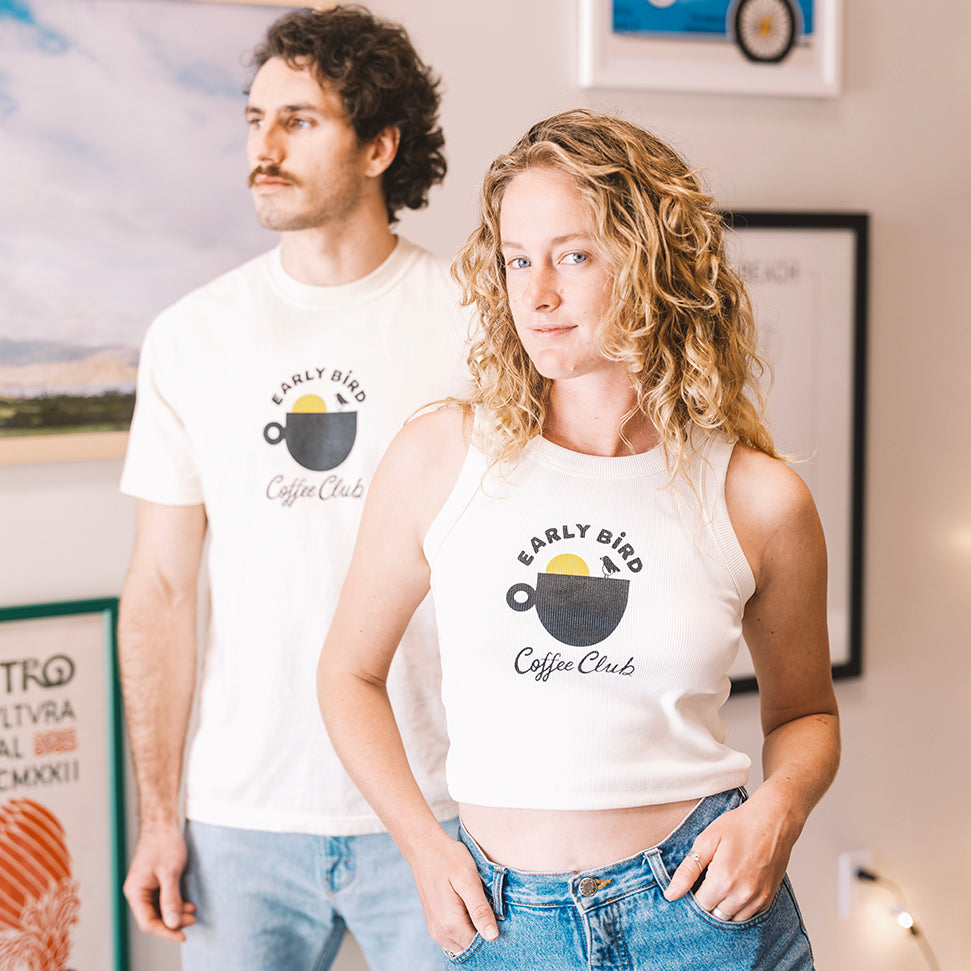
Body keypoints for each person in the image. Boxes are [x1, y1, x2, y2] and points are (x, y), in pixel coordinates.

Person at [318, 109, 840, 969]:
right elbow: (346, 673)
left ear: (651, 262)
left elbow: (806, 713)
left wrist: (777, 811)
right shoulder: (441, 456)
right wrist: (422, 842)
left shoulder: (760, 496)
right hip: (500, 923)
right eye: (517, 260)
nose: (537, 293)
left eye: (573, 255)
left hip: (702, 914)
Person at [118, 7, 467, 969]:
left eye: (299, 121)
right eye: (254, 118)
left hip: (437, 809)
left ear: (379, 145)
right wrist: (159, 816)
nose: (262, 149)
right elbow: (159, 590)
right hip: (240, 818)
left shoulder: (478, 322)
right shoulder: (190, 337)